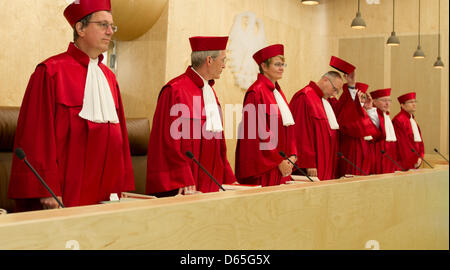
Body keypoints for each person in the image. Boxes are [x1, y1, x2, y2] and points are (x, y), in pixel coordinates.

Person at [8, 0, 135, 211]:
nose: (110, 31)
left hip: (105, 192)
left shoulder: (109, 77)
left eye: (112, 26)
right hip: (64, 193)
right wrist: (46, 187)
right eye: (103, 24)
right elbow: (37, 136)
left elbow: (118, 137)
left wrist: (121, 186)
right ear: (80, 28)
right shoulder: (50, 72)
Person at [146, 36, 236, 196]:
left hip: (210, 184)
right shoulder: (175, 90)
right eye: (223, 60)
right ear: (209, 60)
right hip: (183, 187)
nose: (224, 65)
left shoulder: (210, 92)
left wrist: (229, 178)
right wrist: (182, 178)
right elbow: (167, 142)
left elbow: (218, 143)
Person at [235, 44, 297, 186]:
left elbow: (290, 129)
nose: (282, 68)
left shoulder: (278, 93)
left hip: (283, 167)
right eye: (277, 64)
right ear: (264, 66)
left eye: (283, 64)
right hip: (267, 168)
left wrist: (292, 156)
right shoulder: (256, 92)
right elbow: (258, 132)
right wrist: (278, 161)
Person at [289, 69, 343, 180]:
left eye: (337, 91)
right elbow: (301, 132)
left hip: (325, 164)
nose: (334, 94)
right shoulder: (305, 96)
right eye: (334, 89)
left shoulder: (325, 101)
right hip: (312, 166)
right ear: (325, 80)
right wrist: (309, 163)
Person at [366, 88, 399, 174]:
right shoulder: (372, 114)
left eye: (389, 100)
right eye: (384, 100)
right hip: (378, 157)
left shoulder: (386, 116)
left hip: (389, 158)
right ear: (374, 101)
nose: (387, 103)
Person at [392, 92, 424, 170]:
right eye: (410, 102)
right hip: (405, 162)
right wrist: (414, 159)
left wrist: (420, 157)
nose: (414, 104)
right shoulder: (399, 120)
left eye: (414, 101)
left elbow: (420, 142)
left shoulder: (412, 120)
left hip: (415, 161)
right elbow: (403, 145)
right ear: (402, 105)